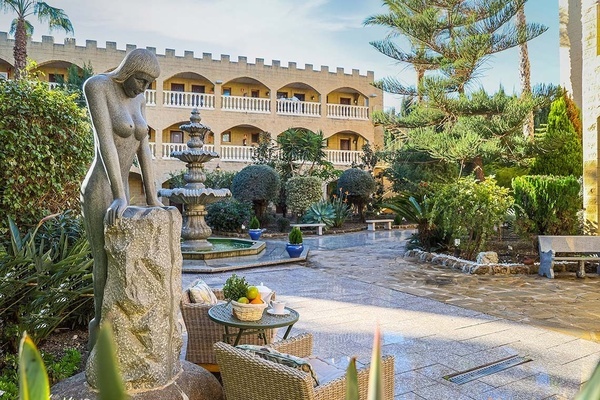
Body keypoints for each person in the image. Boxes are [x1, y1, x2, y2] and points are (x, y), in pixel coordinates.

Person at [81, 48, 163, 349]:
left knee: (122, 264)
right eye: (141, 80)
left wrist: (153, 198)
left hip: (122, 195)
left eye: (149, 83)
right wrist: (118, 194)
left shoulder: (140, 99)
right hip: (101, 188)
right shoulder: (97, 86)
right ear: (128, 71)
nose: (144, 88)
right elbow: (105, 143)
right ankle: (100, 336)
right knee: (103, 263)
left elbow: (144, 149)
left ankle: (120, 332)